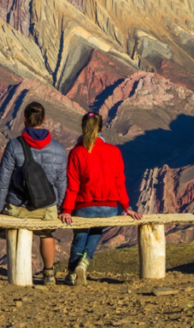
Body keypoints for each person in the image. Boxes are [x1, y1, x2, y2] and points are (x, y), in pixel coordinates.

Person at [0, 101, 68, 286]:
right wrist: (60, 207)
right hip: (47, 209)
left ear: (25, 119)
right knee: (46, 234)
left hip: (17, 208)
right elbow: (61, 182)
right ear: (44, 120)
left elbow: (3, 181)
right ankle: (49, 273)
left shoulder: (14, 146)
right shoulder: (59, 149)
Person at [59, 112, 142, 286]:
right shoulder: (114, 151)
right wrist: (127, 207)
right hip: (109, 208)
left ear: (83, 128)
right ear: (102, 128)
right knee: (96, 230)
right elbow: (119, 182)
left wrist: (66, 210)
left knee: (80, 237)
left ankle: (72, 273)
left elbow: (73, 186)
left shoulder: (76, 152)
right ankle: (85, 261)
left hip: (84, 207)